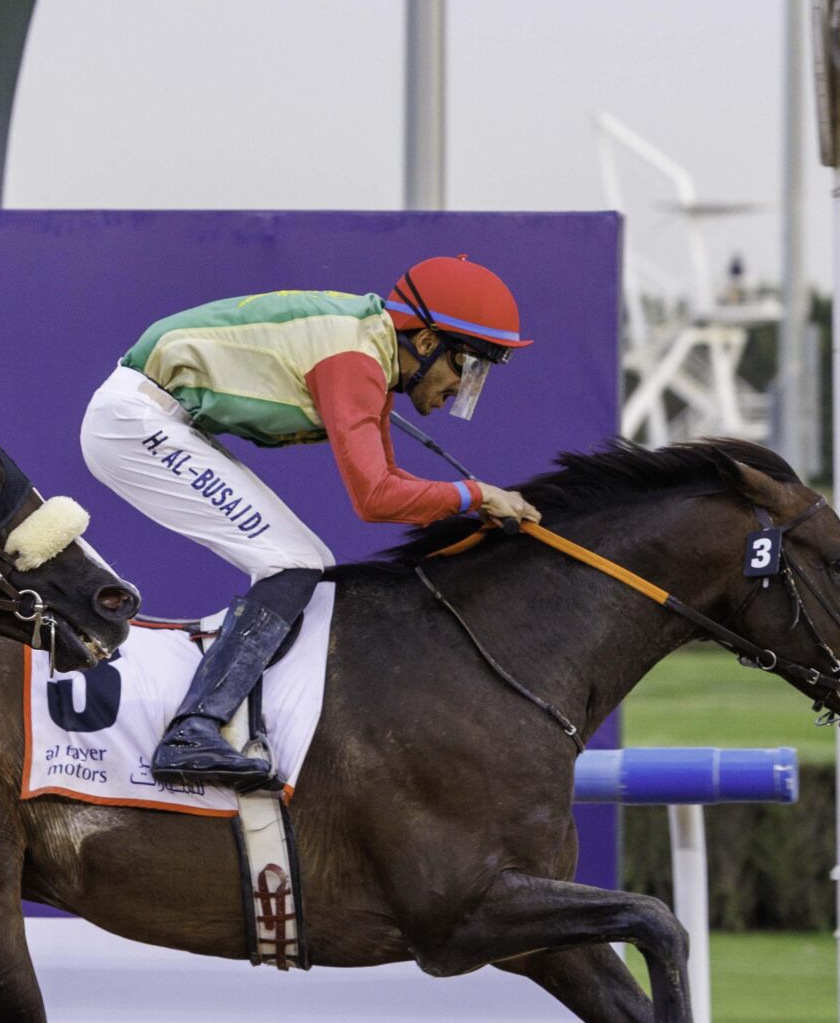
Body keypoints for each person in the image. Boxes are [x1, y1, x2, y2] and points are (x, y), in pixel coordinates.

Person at [79, 255, 542, 790]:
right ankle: (192, 731)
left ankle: (225, 720)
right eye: (468, 365)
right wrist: (476, 494)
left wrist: (473, 503)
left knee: (310, 563)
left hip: (153, 416)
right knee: (293, 563)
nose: (463, 388)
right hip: (133, 424)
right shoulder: (355, 358)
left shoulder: (371, 347)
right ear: (425, 339)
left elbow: (390, 479)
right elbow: (376, 498)